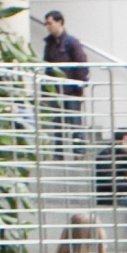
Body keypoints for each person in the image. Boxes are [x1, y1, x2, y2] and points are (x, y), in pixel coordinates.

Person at [40, 11, 89, 154]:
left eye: (50, 23)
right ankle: (59, 153)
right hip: (56, 91)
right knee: (58, 123)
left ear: (59, 22)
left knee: (75, 123)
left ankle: (78, 152)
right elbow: (48, 67)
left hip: (70, 90)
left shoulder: (71, 42)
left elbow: (82, 65)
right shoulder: (50, 43)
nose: (48, 27)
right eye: (46, 24)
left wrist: (77, 86)